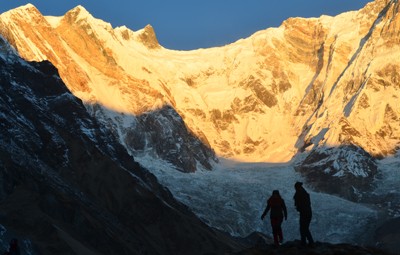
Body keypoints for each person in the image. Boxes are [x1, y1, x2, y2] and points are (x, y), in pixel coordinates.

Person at [293, 182, 314, 247]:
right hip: (307, 212)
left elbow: (299, 204)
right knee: (305, 228)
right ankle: (308, 242)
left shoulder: (299, 194)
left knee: (303, 228)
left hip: (304, 213)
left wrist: (299, 208)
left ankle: (306, 242)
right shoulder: (304, 193)